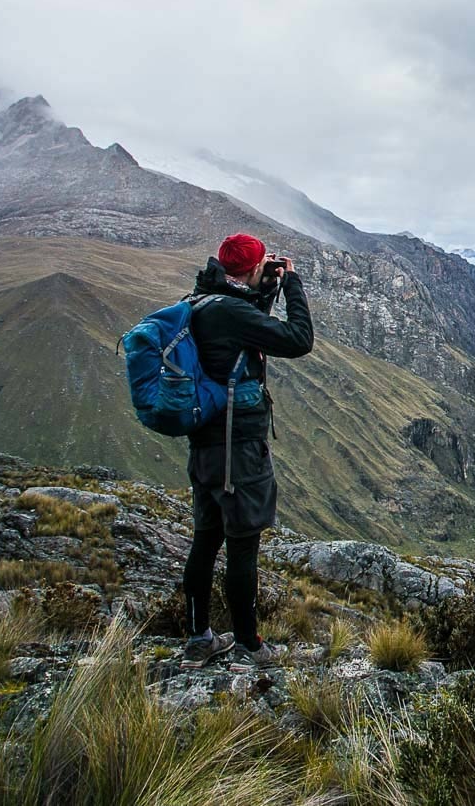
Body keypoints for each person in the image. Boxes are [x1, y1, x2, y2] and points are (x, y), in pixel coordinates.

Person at [179, 232, 313, 671]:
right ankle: (248, 647)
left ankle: (200, 637)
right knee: (242, 548)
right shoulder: (232, 312)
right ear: (252, 268)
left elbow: (241, 329)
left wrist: (263, 288)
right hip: (238, 449)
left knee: (206, 540)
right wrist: (291, 285)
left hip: (205, 444)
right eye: (261, 268)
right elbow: (298, 339)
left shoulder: (202, 302)